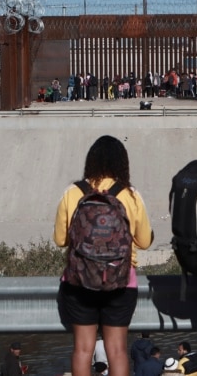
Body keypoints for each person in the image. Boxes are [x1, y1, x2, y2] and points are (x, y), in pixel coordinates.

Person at [54, 135, 154, 376]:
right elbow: (144, 242)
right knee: (117, 350)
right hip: (121, 282)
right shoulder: (130, 195)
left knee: (82, 350)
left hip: (79, 281)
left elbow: (60, 240)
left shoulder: (73, 192)